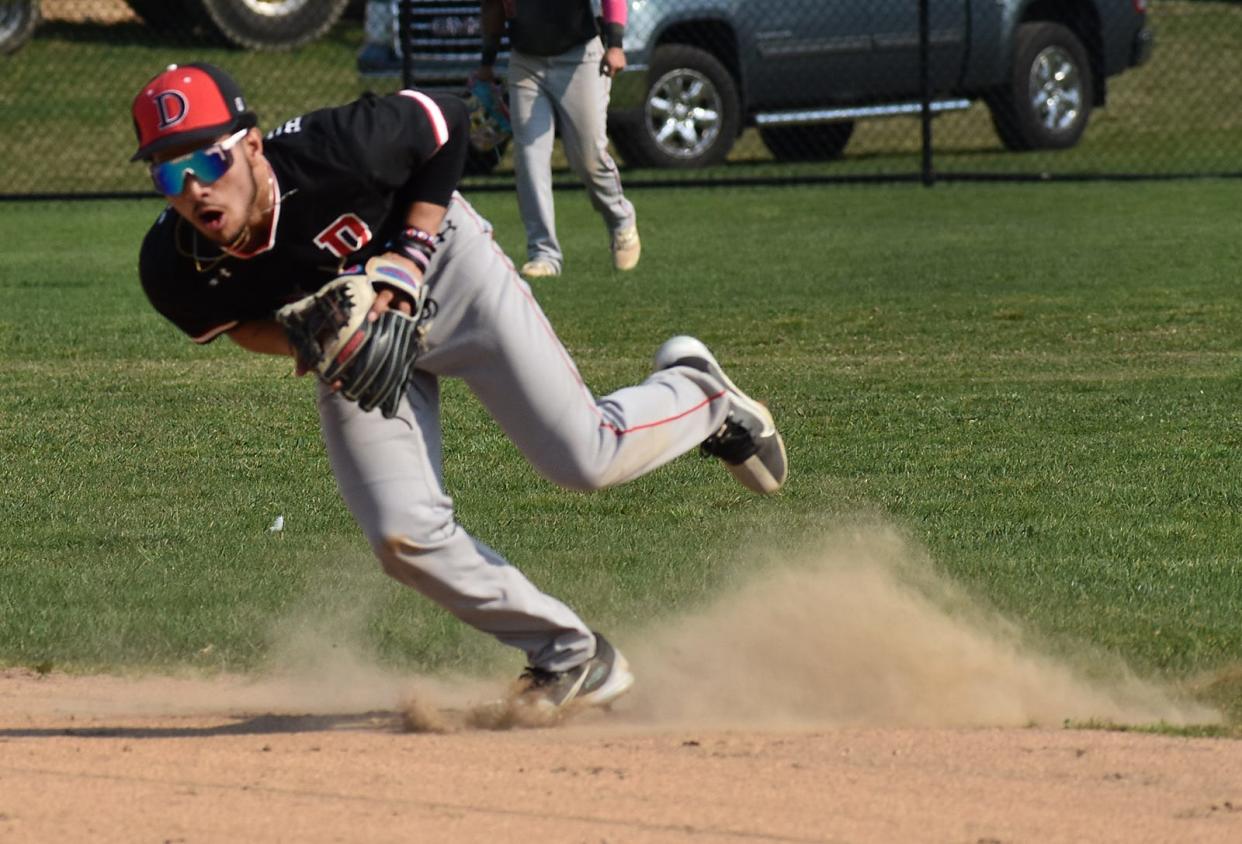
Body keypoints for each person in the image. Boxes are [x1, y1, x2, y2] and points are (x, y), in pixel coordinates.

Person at [130, 62, 786, 712]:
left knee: (585, 456)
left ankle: (700, 392)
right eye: (168, 172)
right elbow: (236, 324)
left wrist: (410, 256)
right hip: (356, 347)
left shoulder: (336, 148)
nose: (192, 188)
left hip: (445, 270)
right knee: (400, 533)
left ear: (250, 144)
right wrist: (307, 339)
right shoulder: (172, 268)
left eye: (206, 162)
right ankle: (571, 655)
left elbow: (444, 122)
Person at [478, 0, 639, 279]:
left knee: (588, 157)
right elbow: (493, 8)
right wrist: (486, 63)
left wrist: (615, 45)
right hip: (526, 61)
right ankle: (543, 253)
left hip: (579, 57)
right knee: (529, 157)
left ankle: (620, 218)